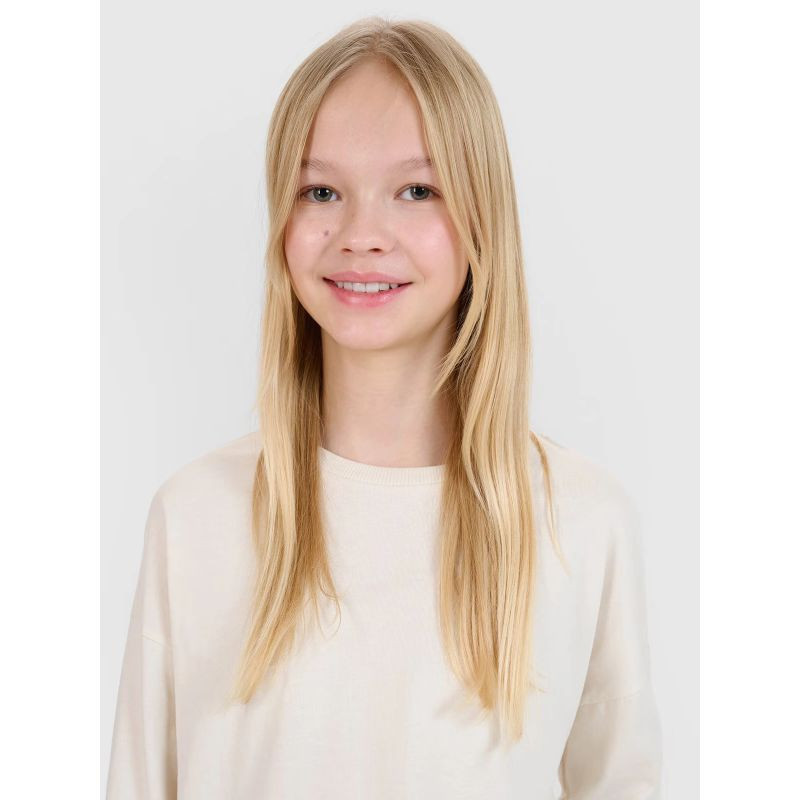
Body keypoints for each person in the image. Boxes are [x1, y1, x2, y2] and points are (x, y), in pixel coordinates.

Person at [106, 16, 663, 799]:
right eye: (321, 191)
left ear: (482, 217)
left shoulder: (581, 522)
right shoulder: (195, 515)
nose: (362, 234)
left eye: (416, 191)